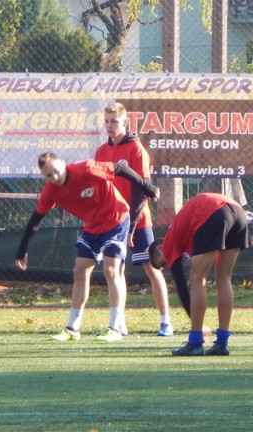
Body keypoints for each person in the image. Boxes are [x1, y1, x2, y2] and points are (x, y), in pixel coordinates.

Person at [15, 152, 159, 342]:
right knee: (80, 270)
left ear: (64, 164)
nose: (55, 178)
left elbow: (121, 168)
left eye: (57, 171)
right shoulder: (51, 190)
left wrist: (148, 187)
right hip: (92, 227)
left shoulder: (87, 169)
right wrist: (22, 248)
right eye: (49, 175)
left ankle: (115, 328)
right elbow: (36, 219)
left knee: (111, 270)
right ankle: (72, 328)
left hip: (116, 219)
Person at [148, 193, 253, 356]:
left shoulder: (168, 242)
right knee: (224, 278)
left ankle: (195, 342)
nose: (169, 264)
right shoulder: (186, 232)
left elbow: (182, 286)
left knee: (197, 278)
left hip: (213, 211)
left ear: (159, 249)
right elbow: (227, 222)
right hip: (236, 212)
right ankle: (221, 343)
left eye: (163, 263)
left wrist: (195, 321)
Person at [94, 103, 172, 337]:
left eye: (114, 122)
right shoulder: (101, 152)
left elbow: (142, 191)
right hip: (114, 221)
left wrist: (133, 225)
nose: (110, 126)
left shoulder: (136, 150)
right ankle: (119, 323)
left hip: (138, 220)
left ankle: (165, 322)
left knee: (152, 268)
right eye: (107, 121)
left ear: (125, 122)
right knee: (116, 269)